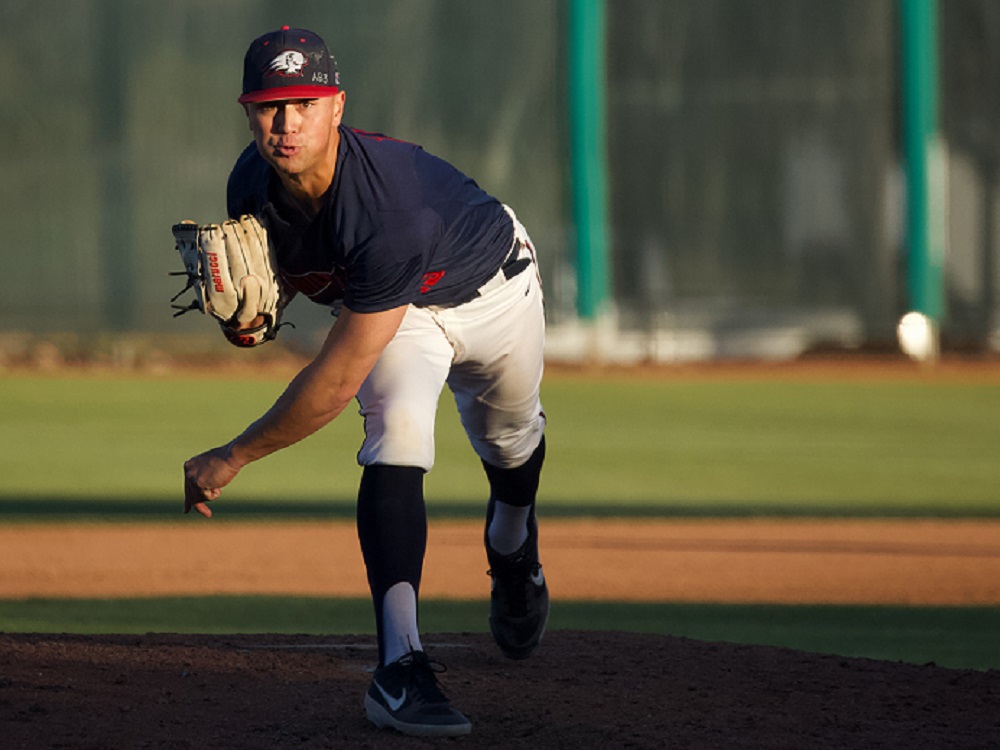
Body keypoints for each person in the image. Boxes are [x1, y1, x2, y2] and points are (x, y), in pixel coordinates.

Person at [181, 27, 549, 737]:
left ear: (336, 107)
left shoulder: (387, 211)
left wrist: (233, 456)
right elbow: (294, 272)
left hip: (494, 288)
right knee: (398, 430)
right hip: (400, 311)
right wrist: (264, 310)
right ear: (247, 111)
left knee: (510, 443)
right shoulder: (249, 183)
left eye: (304, 102)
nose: (286, 123)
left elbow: (333, 380)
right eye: (268, 106)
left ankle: (512, 549)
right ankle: (400, 667)